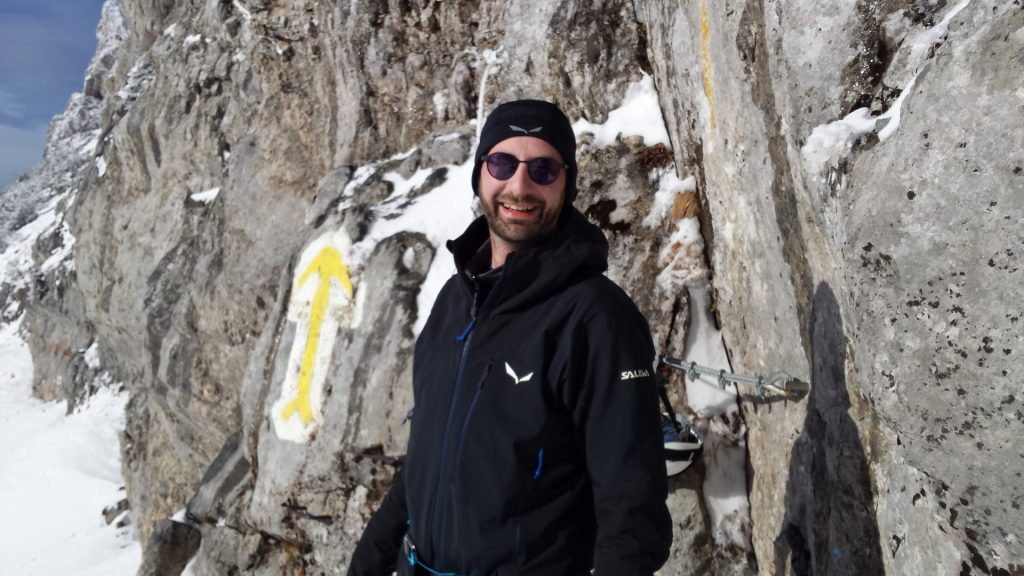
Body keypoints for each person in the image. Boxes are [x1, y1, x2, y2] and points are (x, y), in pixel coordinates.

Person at [348, 100, 672, 575]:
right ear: (480, 173)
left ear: (567, 183)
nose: (519, 186)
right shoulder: (455, 301)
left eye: (543, 169)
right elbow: (424, 461)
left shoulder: (595, 318)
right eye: (502, 164)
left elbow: (633, 512)